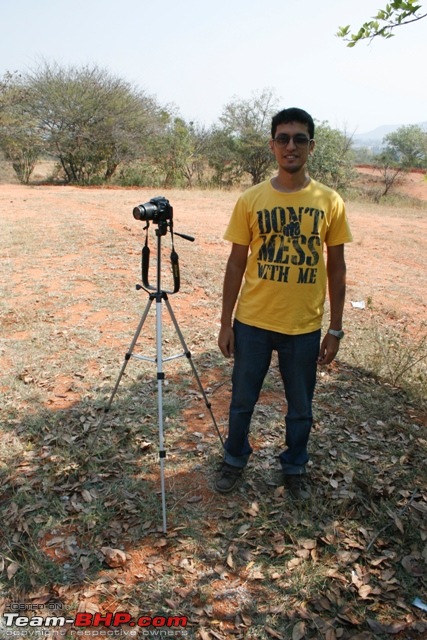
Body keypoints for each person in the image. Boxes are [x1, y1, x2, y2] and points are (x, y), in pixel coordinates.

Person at [215, 107, 352, 497]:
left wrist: (336, 328)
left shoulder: (330, 201)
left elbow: (337, 269)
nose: (291, 146)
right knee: (242, 401)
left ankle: (294, 467)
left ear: (311, 145)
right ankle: (234, 458)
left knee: (300, 408)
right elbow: (236, 263)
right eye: (283, 138)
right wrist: (226, 323)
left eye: (299, 139)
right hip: (253, 321)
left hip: (304, 327)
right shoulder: (251, 199)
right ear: (273, 145)